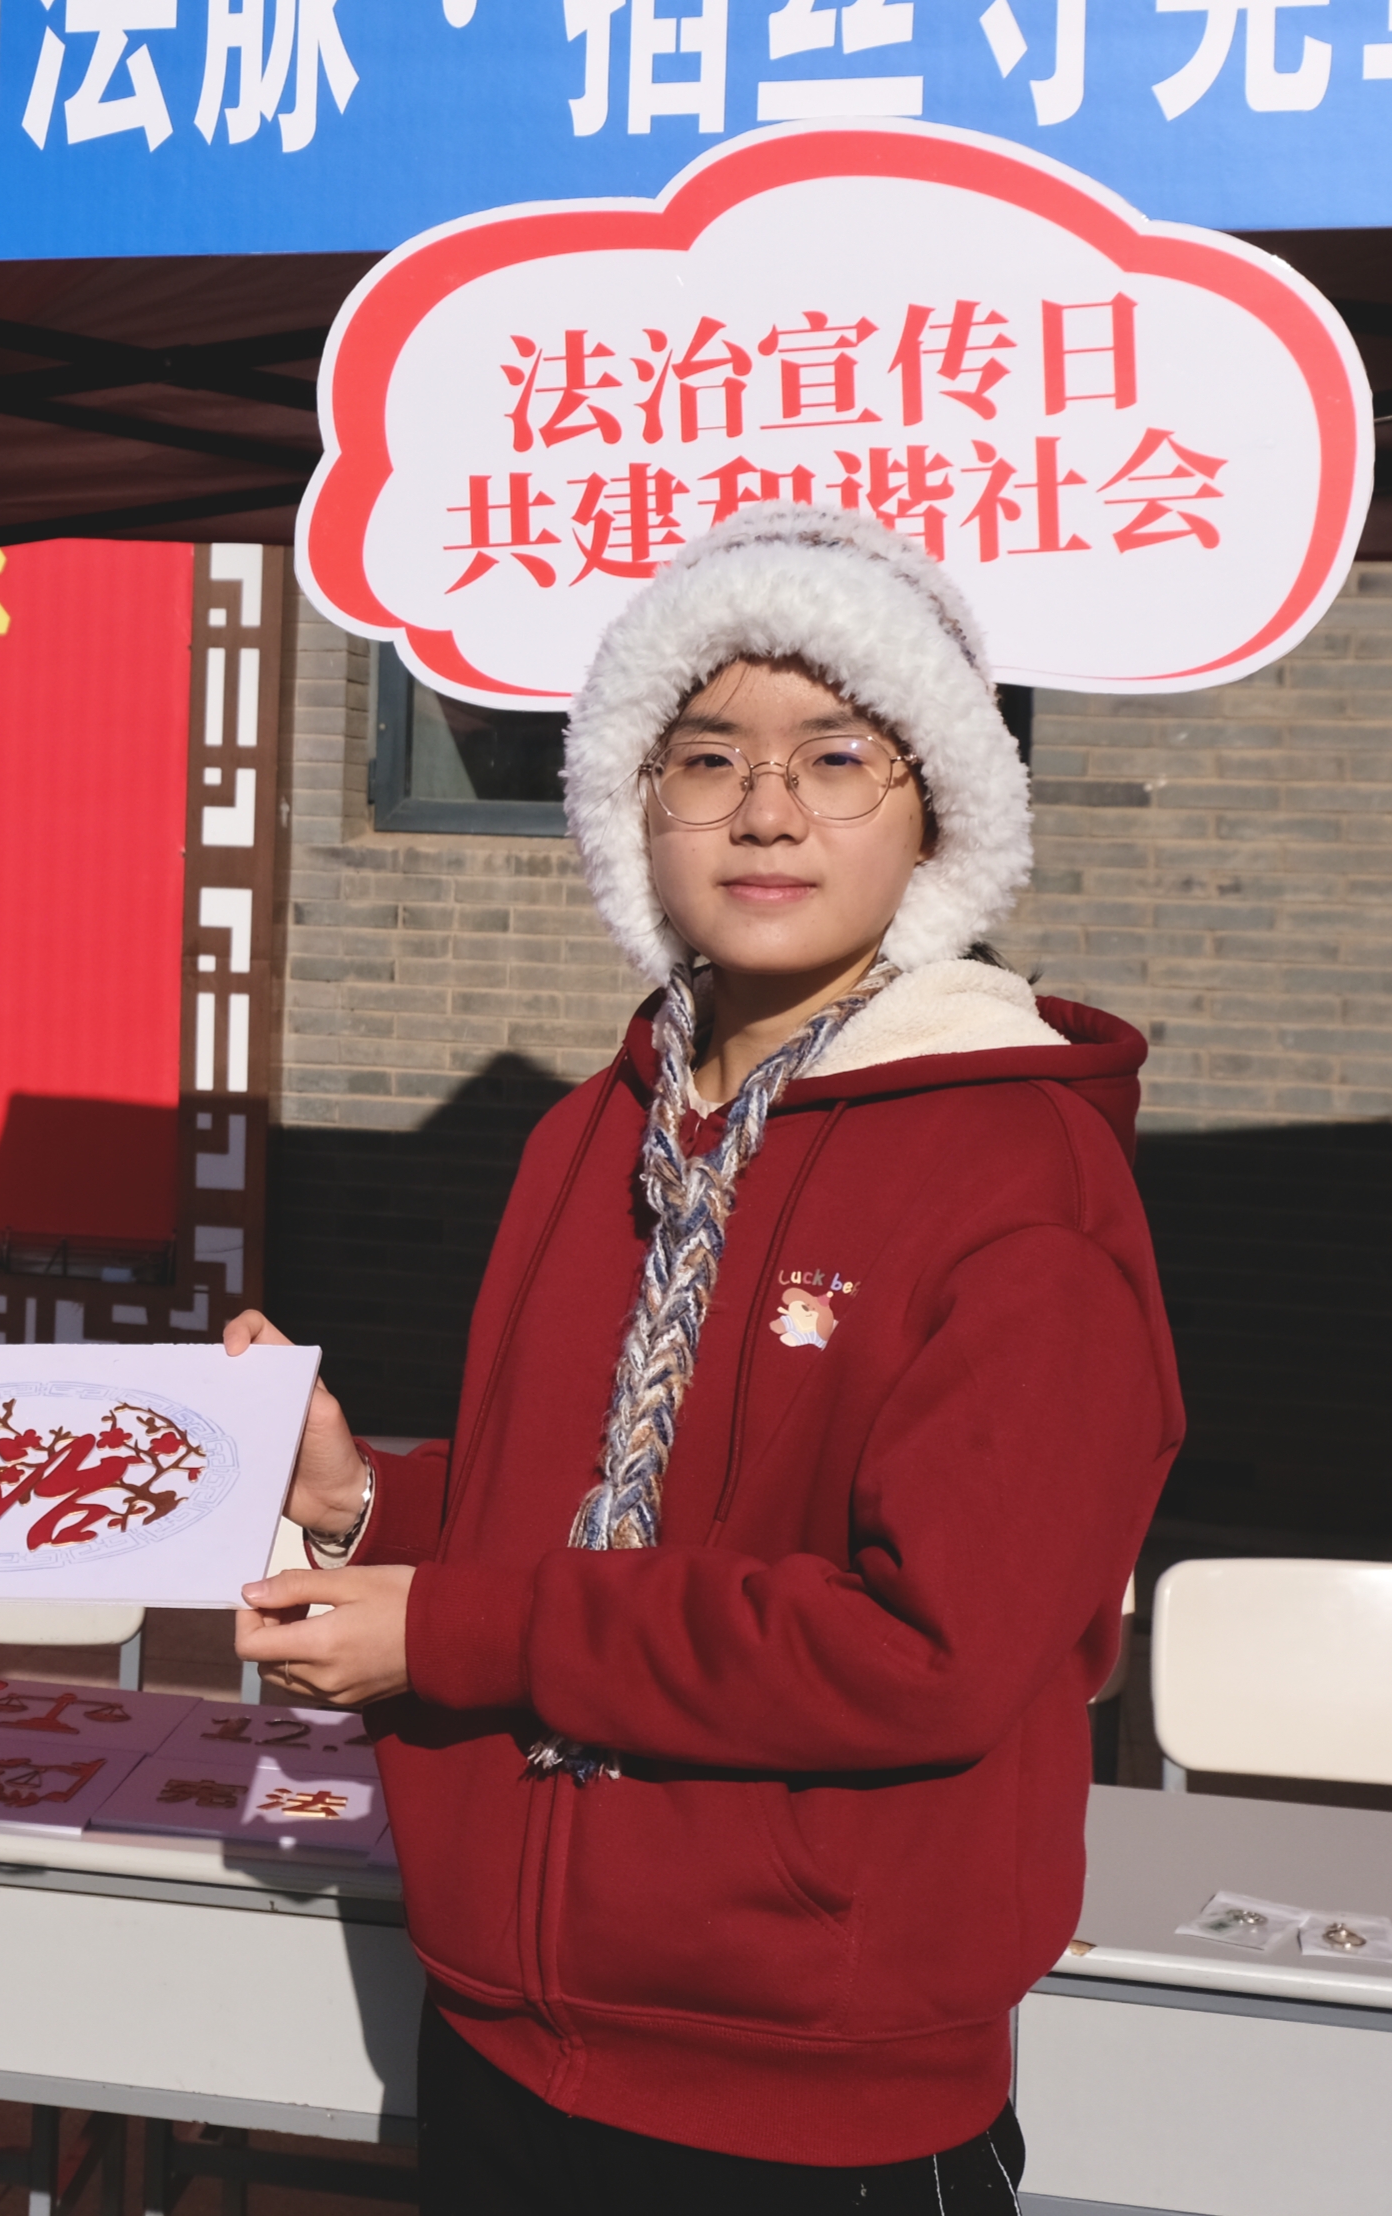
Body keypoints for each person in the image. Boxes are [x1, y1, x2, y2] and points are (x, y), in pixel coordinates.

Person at [229, 512, 1183, 2214]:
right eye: (707, 756)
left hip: (816, 2084)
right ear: (632, 803)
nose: (765, 809)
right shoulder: (596, 1132)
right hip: (504, 2034)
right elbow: (585, 1523)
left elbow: (928, 1648)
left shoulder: (1019, 1172)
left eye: (838, 755)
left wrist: (450, 1632)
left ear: (942, 806)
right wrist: (371, 1504)